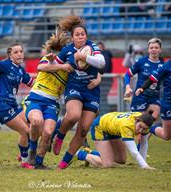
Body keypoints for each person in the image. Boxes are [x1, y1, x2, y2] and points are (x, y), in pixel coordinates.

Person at [51, 15, 105, 169]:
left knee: (83, 130)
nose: (81, 37)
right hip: (74, 87)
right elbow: (54, 65)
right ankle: (60, 135)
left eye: (83, 34)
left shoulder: (92, 47)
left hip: (92, 92)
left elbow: (101, 63)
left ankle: (65, 161)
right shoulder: (67, 51)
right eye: (77, 35)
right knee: (74, 115)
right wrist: (59, 66)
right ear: (72, 37)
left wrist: (83, 56)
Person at [24, 29, 74, 169]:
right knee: (36, 121)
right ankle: (32, 150)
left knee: (47, 133)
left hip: (52, 103)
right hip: (36, 98)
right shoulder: (50, 59)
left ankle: (39, 163)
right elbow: (40, 67)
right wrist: (60, 65)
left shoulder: (70, 69)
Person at [0, 40, 35, 169]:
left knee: (32, 123)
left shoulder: (20, 70)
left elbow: (33, 83)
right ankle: (24, 161)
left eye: (21, 51)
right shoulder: (5, 65)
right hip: (1, 106)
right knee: (25, 131)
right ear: (10, 55)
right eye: (16, 52)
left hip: (12, 105)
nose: (19, 54)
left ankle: (22, 152)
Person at [75, 110, 156, 169]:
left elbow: (144, 143)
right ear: (137, 120)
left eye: (144, 129)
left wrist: (144, 164)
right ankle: (79, 154)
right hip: (100, 127)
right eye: (140, 127)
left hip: (113, 129)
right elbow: (134, 151)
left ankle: (90, 152)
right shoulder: (126, 126)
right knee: (107, 164)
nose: (140, 131)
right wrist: (145, 166)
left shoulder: (145, 121)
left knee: (121, 160)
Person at [124, 38, 163, 120]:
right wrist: (128, 87)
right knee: (139, 123)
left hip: (154, 97)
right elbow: (127, 74)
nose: (154, 50)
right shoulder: (141, 62)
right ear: (148, 50)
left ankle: (148, 132)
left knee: (151, 120)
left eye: (156, 48)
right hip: (140, 96)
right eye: (151, 48)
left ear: (160, 50)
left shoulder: (163, 65)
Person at [97, 41, 113, 116]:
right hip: (103, 80)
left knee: (102, 97)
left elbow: (105, 68)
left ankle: (105, 114)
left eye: (100, 47)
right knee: (101, 98)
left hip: (106, 80)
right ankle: (103, 114)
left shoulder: (105, 54)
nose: (99, 49)